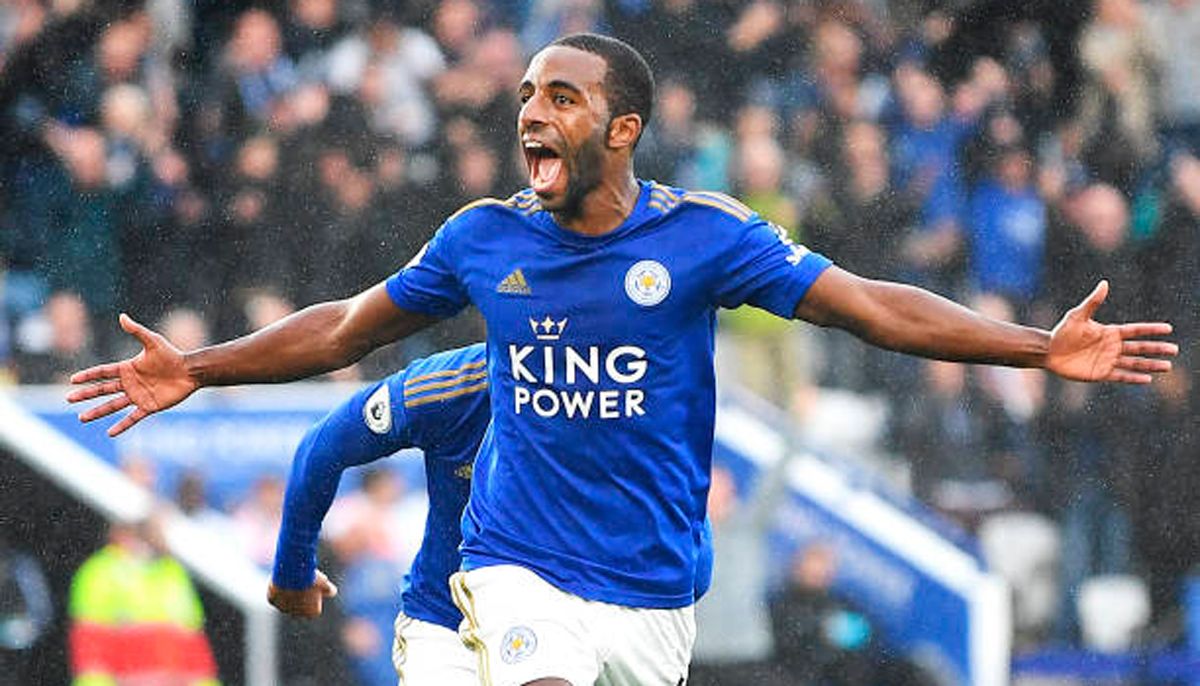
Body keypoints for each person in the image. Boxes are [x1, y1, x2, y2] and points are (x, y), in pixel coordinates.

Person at [68, 33, 1176, 686]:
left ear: (625, 128)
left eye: (562, 98)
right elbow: (345, 327)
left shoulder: (704, 237)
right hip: (517, 562)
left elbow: (869, 307)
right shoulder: (483, 238)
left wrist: (1034, 346)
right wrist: (201, 367)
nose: (532, 117)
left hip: (654, 588)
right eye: (525, 99)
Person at [268, 341, 715, 685]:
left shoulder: (621, 400)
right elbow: (324, 446)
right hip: (448, 629)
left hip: (593, 619)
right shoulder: (452, 385)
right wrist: (293, 569)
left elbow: (690, 547)